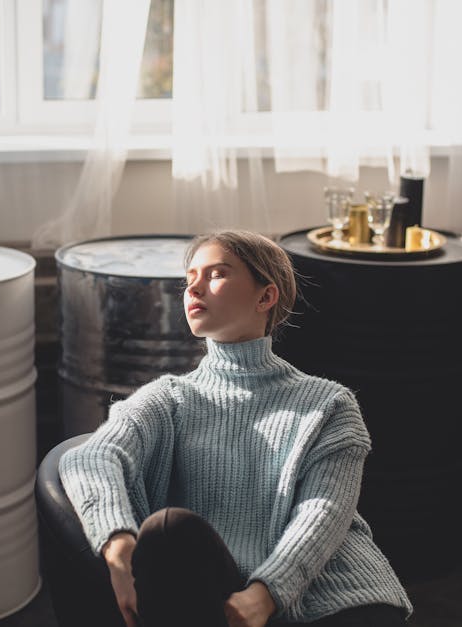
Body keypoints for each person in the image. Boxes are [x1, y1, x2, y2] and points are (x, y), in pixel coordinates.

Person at [60, 230, 413, 627]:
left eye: (216, 274)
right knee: (169, 529)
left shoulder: (328, 404)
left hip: (326, 591)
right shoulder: (168, 399)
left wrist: (266, 595)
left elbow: (324, 514)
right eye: (190, 276)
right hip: (209, 592)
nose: (194, 286)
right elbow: (92, 456)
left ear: (266, 297)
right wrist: (119, 545)